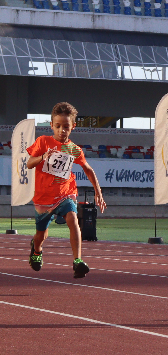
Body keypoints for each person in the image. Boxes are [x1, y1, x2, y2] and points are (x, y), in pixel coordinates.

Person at [26, 102, 107, 279]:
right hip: (43, 198)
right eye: (58, 126)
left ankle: (77, 261)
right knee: (41, 235)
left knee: (73, 219)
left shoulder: (74, 150)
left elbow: (88, 169)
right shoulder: (43, 142)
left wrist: (98, 192)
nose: (62, 130)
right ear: (51, 126)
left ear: (73, 127)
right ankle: (37, 249)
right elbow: (29, 164)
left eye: (66, 127)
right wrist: (42, 157)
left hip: (65, 194)